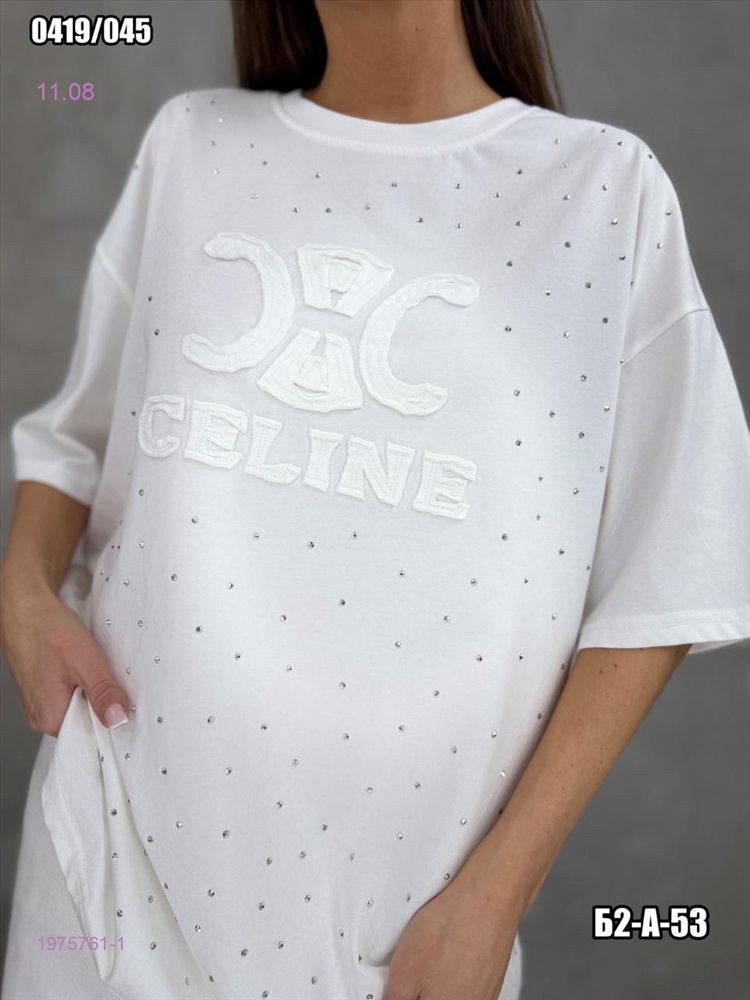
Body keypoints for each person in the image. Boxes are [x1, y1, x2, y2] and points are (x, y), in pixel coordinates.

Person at [1, 1, 749, 998]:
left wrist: (498, 895)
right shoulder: (192, 146)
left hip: (399, 948)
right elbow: (78, 438)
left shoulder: (604, 194)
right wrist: (23, 594)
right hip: (105, 874)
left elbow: (680, 560)